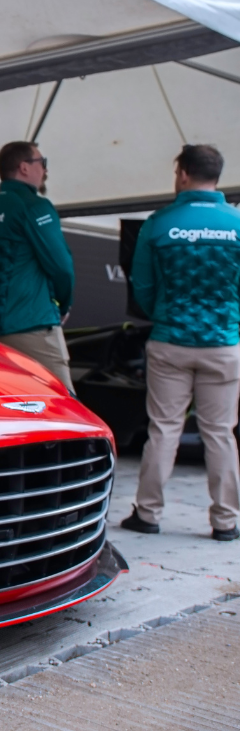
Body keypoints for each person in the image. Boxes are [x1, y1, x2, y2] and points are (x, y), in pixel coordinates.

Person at [122, 144, 240, 542]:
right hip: (222, 343)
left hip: (170, 340)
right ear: (217, 176)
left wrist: (165, 314)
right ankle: (225, 522)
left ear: (184, 174)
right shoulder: (236, 223)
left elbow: (143, 285)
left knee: (164, 429)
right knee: (220, 433)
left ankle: (147, 513)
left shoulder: (159, 223)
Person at [0, 142, 76, 394]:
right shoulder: (34, 205)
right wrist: (64, 303)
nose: (45, 170)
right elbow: (61, 266)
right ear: (24, 167)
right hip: (31, 324)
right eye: (42, 162)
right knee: (64, 408)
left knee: (11, 407)